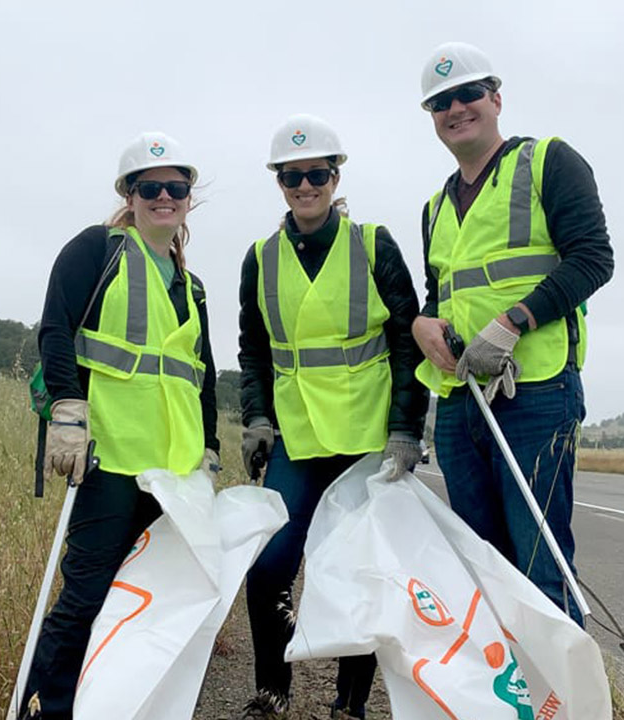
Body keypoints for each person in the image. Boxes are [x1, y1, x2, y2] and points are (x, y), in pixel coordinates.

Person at [409, 42, 614, 627]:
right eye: (440, 102)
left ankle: (561, 702)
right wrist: (423, 323)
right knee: (480, 563)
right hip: (460, 401)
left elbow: (594, 259)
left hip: (537, 393)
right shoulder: (434, 207)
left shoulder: (548, 162)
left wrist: (513, 322)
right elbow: (440, 295)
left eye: (468, 94)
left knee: (539, 564)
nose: (456, 108)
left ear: (495, 99)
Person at [20, 131, 220, 719]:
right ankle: (48, 707)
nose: (164, 196)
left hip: (174, 474)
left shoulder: (192, 285)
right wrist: (66, 410)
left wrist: (208, 449)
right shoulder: (97, 250)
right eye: (150, 187)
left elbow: (199, 377)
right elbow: (56, 330)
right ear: (129, 195)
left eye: (175, 187)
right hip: (108, 459)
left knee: (149, 603)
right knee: (84, 597)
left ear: (188, 197)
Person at [236, 114, 427, 720]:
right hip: (297, 436)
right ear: (279, 181)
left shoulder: (373, 245)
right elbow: (253, 349)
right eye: (292, 176)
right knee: (268, 567)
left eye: (317, 173)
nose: (305, 185)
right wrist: (256, 418)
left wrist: (405, 428)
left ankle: (350, 705)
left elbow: (406, 340)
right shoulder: (260, 258)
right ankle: (273, 691)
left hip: (368, 438)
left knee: (361, 574)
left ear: (335, 175)